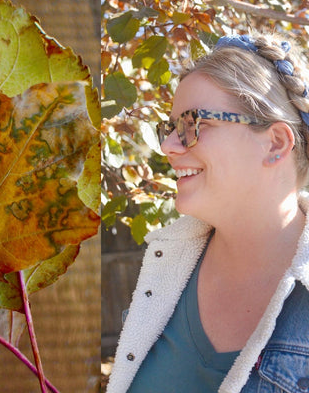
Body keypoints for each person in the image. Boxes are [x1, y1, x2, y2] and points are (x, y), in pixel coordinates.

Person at [106, 33, 309, 393]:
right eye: (169, 129)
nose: (168, 146)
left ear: (275, 143)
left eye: (193, 124)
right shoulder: (167, 262)